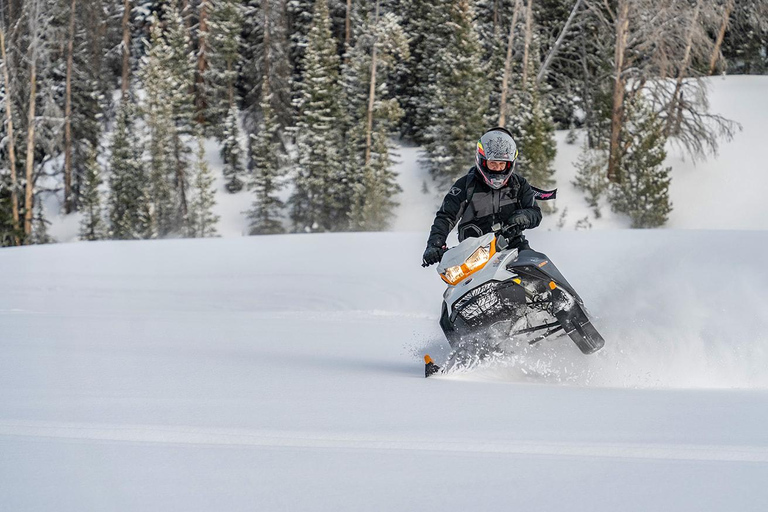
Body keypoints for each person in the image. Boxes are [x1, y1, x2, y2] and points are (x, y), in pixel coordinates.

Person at [422, 127, 542, 267]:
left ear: (510, 163)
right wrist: (435, 244)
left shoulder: (519, 184)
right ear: (482, 160)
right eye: (493, 163)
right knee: (460, 286)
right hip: (475, 253)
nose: (497, 168)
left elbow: (535, 212)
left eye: (502, 164)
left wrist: (525, 216)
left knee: (539, 270)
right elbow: (446, 216)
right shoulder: (465, 185)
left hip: (513, 247)